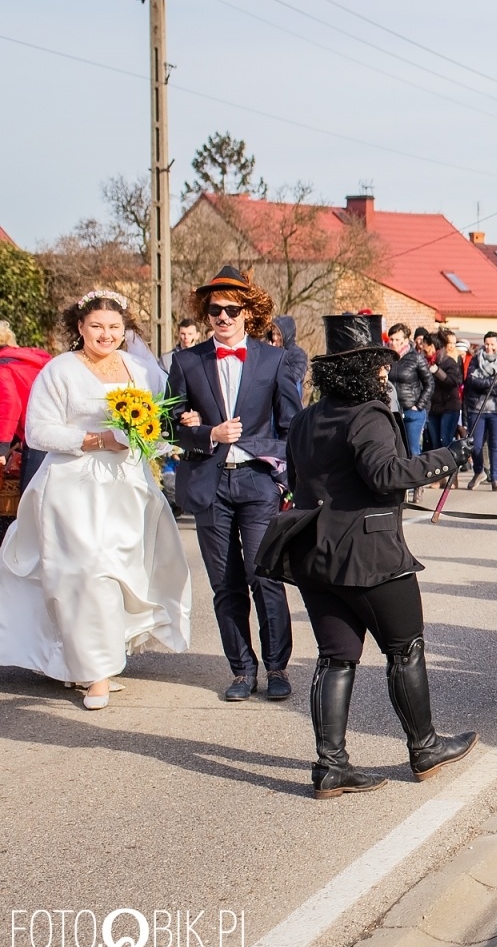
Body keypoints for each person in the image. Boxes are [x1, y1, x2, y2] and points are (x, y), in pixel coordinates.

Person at [263, 313, 477, 798]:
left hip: (316, 553)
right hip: (371, 553)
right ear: (362, 370)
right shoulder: (369, 415)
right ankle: (424, 747)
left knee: (337, 658)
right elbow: (387, 475)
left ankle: (331, 765)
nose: (385, 374)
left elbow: (298, 481)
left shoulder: (306, 416)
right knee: (405, 648)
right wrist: (449, 456)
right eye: (379, 367)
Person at [0, 291, 192, 710]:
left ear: (125, 330)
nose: (106, 334)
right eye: (97, 326)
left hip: (125, 486)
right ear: (80, 328)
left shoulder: (142, 371)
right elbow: (38, 432)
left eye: (114, 327)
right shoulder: (60, 370)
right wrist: (96, 439)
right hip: (72, 487)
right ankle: (98, 673)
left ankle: (93, 657)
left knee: (119, 572)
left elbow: (159, 423)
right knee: (83, 573)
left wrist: (154, 436)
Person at [167, 266, 303, 702]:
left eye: (230, 309)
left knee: (264, 577)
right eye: (214, 310)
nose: (222, 317)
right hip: (209, 484)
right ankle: (242, 670)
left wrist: (281, 474)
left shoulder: (274, 359)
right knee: (225, 584)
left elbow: (291, 427)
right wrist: (205, 432)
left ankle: (278, 667)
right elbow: (170, 425)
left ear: (248, 311)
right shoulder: (187, 361)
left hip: (258, 481)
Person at [0, 328, 52, 538]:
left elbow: (9, 405)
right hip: (57, 433)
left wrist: (2, 448)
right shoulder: (35, 360)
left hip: (36, 435)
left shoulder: (3, 368)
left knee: (30, 503)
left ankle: (26, 557)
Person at [463, 330, 497, 491]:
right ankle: (479, 471)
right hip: (477, 408)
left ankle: (496, 478)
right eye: (487, 344)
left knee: (495, 444)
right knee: (476, 445)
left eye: (492, 344)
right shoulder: (475, 360)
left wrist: (489, 389)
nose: (489, 347)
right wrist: (491, 383)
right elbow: (471, 380)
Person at [386, 323, 433, 460]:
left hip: (411, 411)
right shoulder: (388, 358)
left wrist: (418, 406)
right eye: (391, 339)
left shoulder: (416, 358)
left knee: (413, 450)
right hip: (392, 410)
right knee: (395, 450)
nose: (393, 343)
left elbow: (429, 384)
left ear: (406, 341)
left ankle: (416, 480)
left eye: (397, 340)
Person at [417, 331, 462, 455]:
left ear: (432, 346)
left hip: (449, 407)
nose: (423, 352)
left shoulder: (448, 362)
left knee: (445, 441)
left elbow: (454, 382)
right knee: (435, 444)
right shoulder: (424, 362)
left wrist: (438, 372)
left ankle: (451, 472)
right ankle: (441, 473)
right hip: (433, 409)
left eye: (425, 350)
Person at [272, 315, 309, 399]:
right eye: (273, 334)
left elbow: (290, 381)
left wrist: (275, 357)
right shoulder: (269, 351)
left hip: (289, 404)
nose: (275, 338)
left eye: (278, 334)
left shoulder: (298, 355)